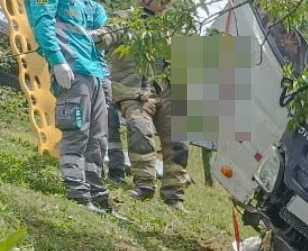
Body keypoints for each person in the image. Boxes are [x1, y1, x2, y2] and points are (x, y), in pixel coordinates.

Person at [95, 0, 192, 210]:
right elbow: (110, 32)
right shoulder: (126, 19)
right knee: (140, 129)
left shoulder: (171, 27)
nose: (167, 3)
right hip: (134, 89)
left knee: (179, 139)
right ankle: (144, 185)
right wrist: (97, 37)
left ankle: (174, 195)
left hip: (168, 90)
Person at [27, 0, 113, 212]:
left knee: (98, 138)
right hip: (71, 70)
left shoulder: (91, 6)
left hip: (94, 73)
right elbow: (42, 21)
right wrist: (56, 59)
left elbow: (99, 41)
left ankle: (97, 193)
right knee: (77, 131)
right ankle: (77, 192)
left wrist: (104, 77)